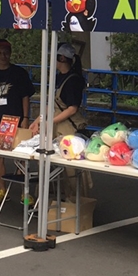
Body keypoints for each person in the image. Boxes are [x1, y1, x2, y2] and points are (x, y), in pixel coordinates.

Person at [0, 39, 35, 205]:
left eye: (5, 52)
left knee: (22, 158)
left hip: (15, 121)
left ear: (10, 53)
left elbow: (25, 97)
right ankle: (2, 190)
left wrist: (25, 118)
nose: (3, 56)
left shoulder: (19, 73)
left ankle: (24, 193)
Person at [30, 42, 90, 199]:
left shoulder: (73, 80)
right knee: (50, 161)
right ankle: (54, 198)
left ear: (62, 58)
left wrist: (49, 122)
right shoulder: (58, 78)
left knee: (70, 167)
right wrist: (38, 120)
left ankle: (76, 200)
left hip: (68, 128)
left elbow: (72, 108)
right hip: (56, 125)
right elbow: (51, 104)